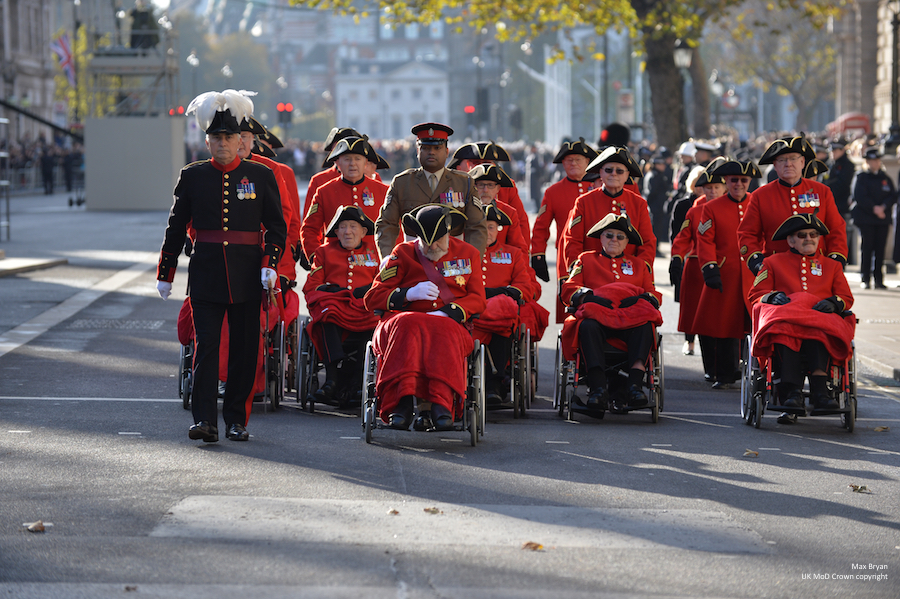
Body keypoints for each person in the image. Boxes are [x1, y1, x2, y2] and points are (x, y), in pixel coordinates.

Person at [156, 89, 286, 442]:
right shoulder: (193, 175)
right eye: (216, 137)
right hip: (206, 274)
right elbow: (176, 224)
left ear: (240, 140)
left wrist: (269, 264)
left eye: (228, 137)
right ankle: (204, 420)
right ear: (208, 140)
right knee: (206, 350)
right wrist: (166, 272)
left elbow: (276, 226)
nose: (223, 143)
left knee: (245, 351)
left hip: (246, 276)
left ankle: (236, 420)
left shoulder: (260, 176)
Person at [365, 204, 486, 431]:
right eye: (427, 240)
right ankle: (399, 403)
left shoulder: (468, 254)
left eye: (439, 239)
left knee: (443, 329)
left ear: (449, 233)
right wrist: (408, 294)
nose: (433, 246)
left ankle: (442, 404)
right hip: (404, 319)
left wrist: (449, 312)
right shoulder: (401, 253)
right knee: (406, 324)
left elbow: (478, 299)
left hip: (448, 322)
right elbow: (373, 297)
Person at [748, 213, 855, 415]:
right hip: (787, 318)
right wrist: (771, 297)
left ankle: (821, 392)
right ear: (790, 240)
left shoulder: (832, 266)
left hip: (819, 318)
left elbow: (845, 297)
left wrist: (834, 302)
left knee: (820, 330)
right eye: (803, 235)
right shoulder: (772, 263)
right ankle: (792, 392)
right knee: (785, 330)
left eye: (814, 235)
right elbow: (756, 294)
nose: (809, 239)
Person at [560, 213, 662, 413]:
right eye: (609, 235)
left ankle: (634, 386)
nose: (614, 240)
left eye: (620, 237)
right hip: (598, 320)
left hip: (630, 321)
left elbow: (653, 293)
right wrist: (587, 296)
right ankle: (598, 389)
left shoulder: (639, 265)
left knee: (646, 325)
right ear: (601, 238)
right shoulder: (586, 259)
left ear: (626, 243)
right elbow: (569, 288)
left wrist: (641, 298)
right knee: (587, 326)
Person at [302, 206, 381, 406]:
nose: (348, 232)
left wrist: (369, 290)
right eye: (343, 227)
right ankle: (331, 379)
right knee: (327, 314)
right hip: (335, 313)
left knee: (375, 321)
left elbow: (384, 285)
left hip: (364, 313)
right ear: (335, 232)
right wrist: (333, 291)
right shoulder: (323, 252)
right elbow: (312, 286)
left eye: (353, 226)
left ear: (364, 231)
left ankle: (357, 382)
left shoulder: (376, 254)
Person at [737, 134, 848, 276]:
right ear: (775, 165)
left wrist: (836, 257)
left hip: (817, 269)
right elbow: (747, 233)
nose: (788, 164)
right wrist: (756, 261)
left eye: (793, 159)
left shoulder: (822, 192)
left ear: (802, 162)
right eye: (782, 160)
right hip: (777, 270)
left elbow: (836, 228)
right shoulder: (760, 196)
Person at [375, 122, 487, 260]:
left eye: (437, 147)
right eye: (426, 148)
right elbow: (386, 225)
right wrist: (388, 260)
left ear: (446, 152)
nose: (431, 152)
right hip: (413, 260)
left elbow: (476, 227)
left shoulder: (464, 182)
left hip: (454, 260)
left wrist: (472, 260)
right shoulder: (402, 182)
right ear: (417, 151)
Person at [695, 159, 761, 388]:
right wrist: (710, 267)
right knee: (724, 326)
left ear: (749, 181)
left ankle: (761, 372)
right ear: (726, 181)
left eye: (743, 180)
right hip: (726, 273)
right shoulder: (711, 208)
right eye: (734, 180)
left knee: (758, 325)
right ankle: (725, 374)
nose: (739, 185)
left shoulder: (757, 202)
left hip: (754, 274)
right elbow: (705, 240)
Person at [474, 204, 542, 404]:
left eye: (491, 227)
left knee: (503, 326)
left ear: (499, 230)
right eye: (481, 226)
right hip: (471, 314)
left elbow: (525, 287)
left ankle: (495, 384)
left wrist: (504, 294)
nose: (486, 232)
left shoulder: (513, 254)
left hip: (499, 318)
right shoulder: (463, 253)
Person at [561, 145, 656, 280]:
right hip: (591, 275)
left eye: (619, 171)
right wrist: (576, 269)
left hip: (629, 275)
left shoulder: (638, 204)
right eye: (608, 170)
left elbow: (647, 242)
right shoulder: (583, 202)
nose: (614, 174)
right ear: (600, 172)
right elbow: (573, 240)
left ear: (627, 175)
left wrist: (641, 270)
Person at [530, 137, 599, 320]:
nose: (573, 163)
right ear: (562, 163)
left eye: (578, 159)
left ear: (588, 162)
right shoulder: (553, 192)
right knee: (571, 304)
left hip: (600, 250)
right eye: (569, 160)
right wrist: (538, 255)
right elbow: (540, 227)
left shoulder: (599, 187)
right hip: (568, 255)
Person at [669, 160, 727, 378]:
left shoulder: (741, 206)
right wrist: (676, 258)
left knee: (729, 318)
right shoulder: (696, 210)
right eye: (708, 188)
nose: (712, 191)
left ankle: (731, 364)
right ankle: (711, 367)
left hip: (728, 268)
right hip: (697, 267)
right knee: (702, 320)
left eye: (717, 187)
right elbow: (683, 237)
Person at [301, 136, 389, 260]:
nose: (352, 163)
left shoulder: (383, 191)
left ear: (365, 163)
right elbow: (309, 229)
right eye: (347, 159)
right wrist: (318, 259)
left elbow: (393, 230)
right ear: (337, 163)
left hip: (373, 265)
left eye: (357, 159)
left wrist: (388, 261)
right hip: (334, 265)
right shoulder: (324, 192)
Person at [449, 141, 531, 246]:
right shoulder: (456, 187)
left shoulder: (507, 187)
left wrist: (522, 256)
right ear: (468, 165)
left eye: (487, 162)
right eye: (477, 163)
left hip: (500, 255)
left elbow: (521, 222)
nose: (483, 166)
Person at [850, 147, 896, 289]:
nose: (873, 163)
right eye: (870, 161)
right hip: (866, 218)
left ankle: (878, 279)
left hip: (882, 219)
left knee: (880, 249)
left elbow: (892, 195)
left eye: (875, 160)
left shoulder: (885, 178)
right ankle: (865, 277)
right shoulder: (861, 177)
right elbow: (859, 196)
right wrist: (874, 208)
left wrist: (883, 207)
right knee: (867, 248)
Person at [467, 164, 528, 253]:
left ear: (498, 189)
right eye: (481, 185)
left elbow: (519, 249)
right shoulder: (464, 211)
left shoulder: (509, 213)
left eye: (490, 185)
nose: (485, 190)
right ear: (474, 187)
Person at [642, 153, 673, 252]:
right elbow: (651, 193)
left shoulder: (658, 175)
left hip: (657, 206)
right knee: (654, 228)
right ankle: (653, 248)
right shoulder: (654, 176)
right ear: (656, 165)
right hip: (654, 207)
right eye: (661, 164)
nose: (664, 166)